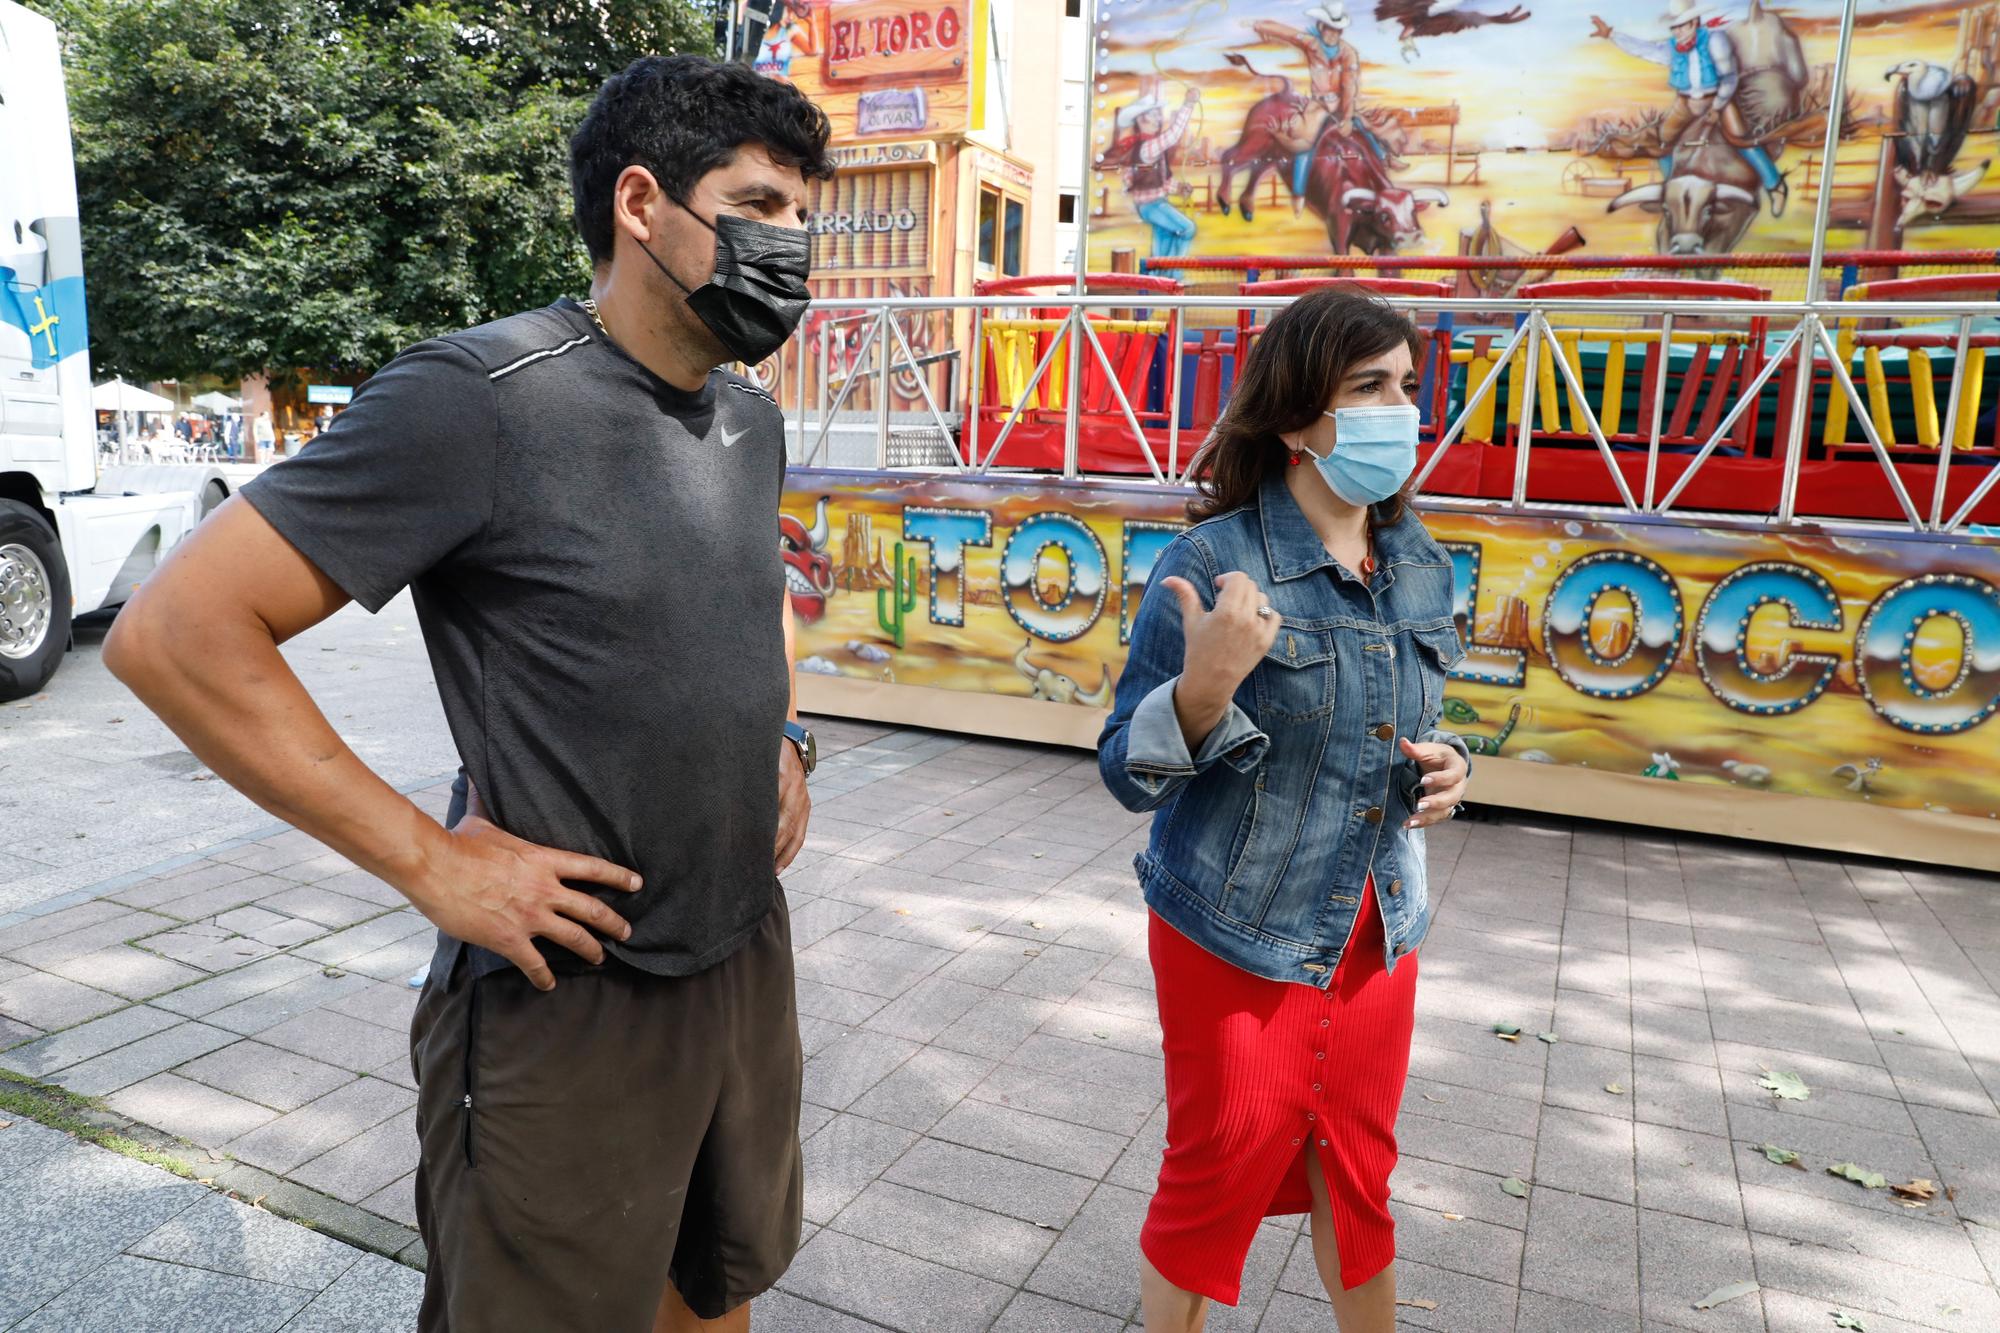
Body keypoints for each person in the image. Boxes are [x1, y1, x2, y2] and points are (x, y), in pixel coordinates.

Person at [102, 54, 832, 1333]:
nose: (793, 244)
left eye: (804, 216)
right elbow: (176, 634)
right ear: (642, 203)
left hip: (739, 951)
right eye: (760, 205)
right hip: (570, 991)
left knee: (717, 1286)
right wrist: (434, 866)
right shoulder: (479, 400)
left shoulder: (744, 416)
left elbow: (748, 583)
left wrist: (782, 730)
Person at [1097, 288, 1471, 1333]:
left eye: (1405, 385)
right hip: (1235, 933)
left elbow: (1416, 728)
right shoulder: (1211, 565)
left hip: (1375, 934)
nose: (1400, 408)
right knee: (1212, 1177)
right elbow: (1127, 770)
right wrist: (1202, 690)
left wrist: (1449, 765)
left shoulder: (1420, 565)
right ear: (1300, 417)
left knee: (1357, 1180)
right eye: (1368, 387)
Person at [1592, 1, 1788, 216]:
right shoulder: (1672, 47)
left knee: (1741, 138)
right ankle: (1672, 188)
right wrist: (1611, 34)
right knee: (1661, 143)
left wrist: (1718, 106)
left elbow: (1729, 77)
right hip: (1685, 102)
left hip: (1717, 98)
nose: (1678, 32)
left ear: (1695, 23)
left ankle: (1775, 185)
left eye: (1682, 26)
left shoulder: (1715, 41)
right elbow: (1643, 49)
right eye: (1675, 28)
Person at [1251, 4, 1407, 215]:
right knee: (1305, 143)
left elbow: (1350, 86)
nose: (1331, 35)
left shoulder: (1349, 53)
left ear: (1340, 32)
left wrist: (1348, 117)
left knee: (1363, 129)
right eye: (1327, 29)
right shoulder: (1311, 44)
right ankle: (1298, 193)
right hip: (1318, 105)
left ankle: (1382, 161)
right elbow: (1289, 34)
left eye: (1335, 31)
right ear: (1321, 28)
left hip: (1342, 103)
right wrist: (1262, 26)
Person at [1108, 83, 1201, 271]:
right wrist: (1188, 104)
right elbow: (1173, 136)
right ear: (1142, 119)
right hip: (1153, 205)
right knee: (1187, 229)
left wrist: (1178, 188)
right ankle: (1174, 278)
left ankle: (1154, 281)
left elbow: (1155, 180)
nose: (1159, 118)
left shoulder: (1144, 147)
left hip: (1152, 204)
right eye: (1154, 114)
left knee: (1162, 247)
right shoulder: (1148, 146)